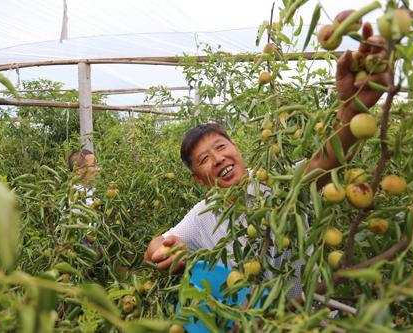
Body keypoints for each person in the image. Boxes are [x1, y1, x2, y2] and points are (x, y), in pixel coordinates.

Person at [144, 24, 390, 291]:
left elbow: (328, 159)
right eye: (204, 159)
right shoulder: (203, 216)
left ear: (236, 149)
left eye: (221, 146)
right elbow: (154, 250)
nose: (218, 159)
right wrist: (165, 249)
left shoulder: (278, 181)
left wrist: (351, 108)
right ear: (199, 179)